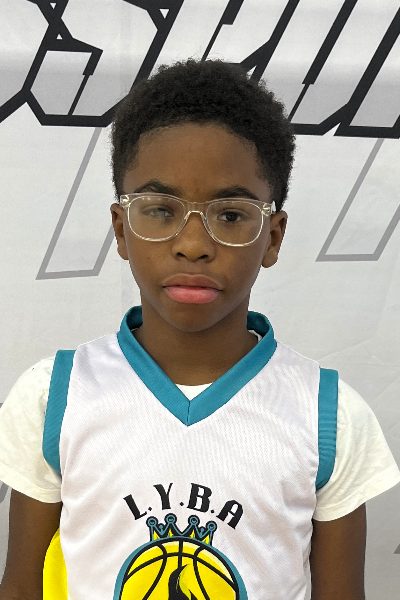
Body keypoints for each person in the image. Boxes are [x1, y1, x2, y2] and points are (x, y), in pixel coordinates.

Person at [0, 58, 399, 600]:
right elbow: (21, 587)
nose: (193, 244)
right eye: (159, 210)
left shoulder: (330, 416)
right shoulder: (54, 397)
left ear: (273, 237)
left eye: (230, 215)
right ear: (121, 230)